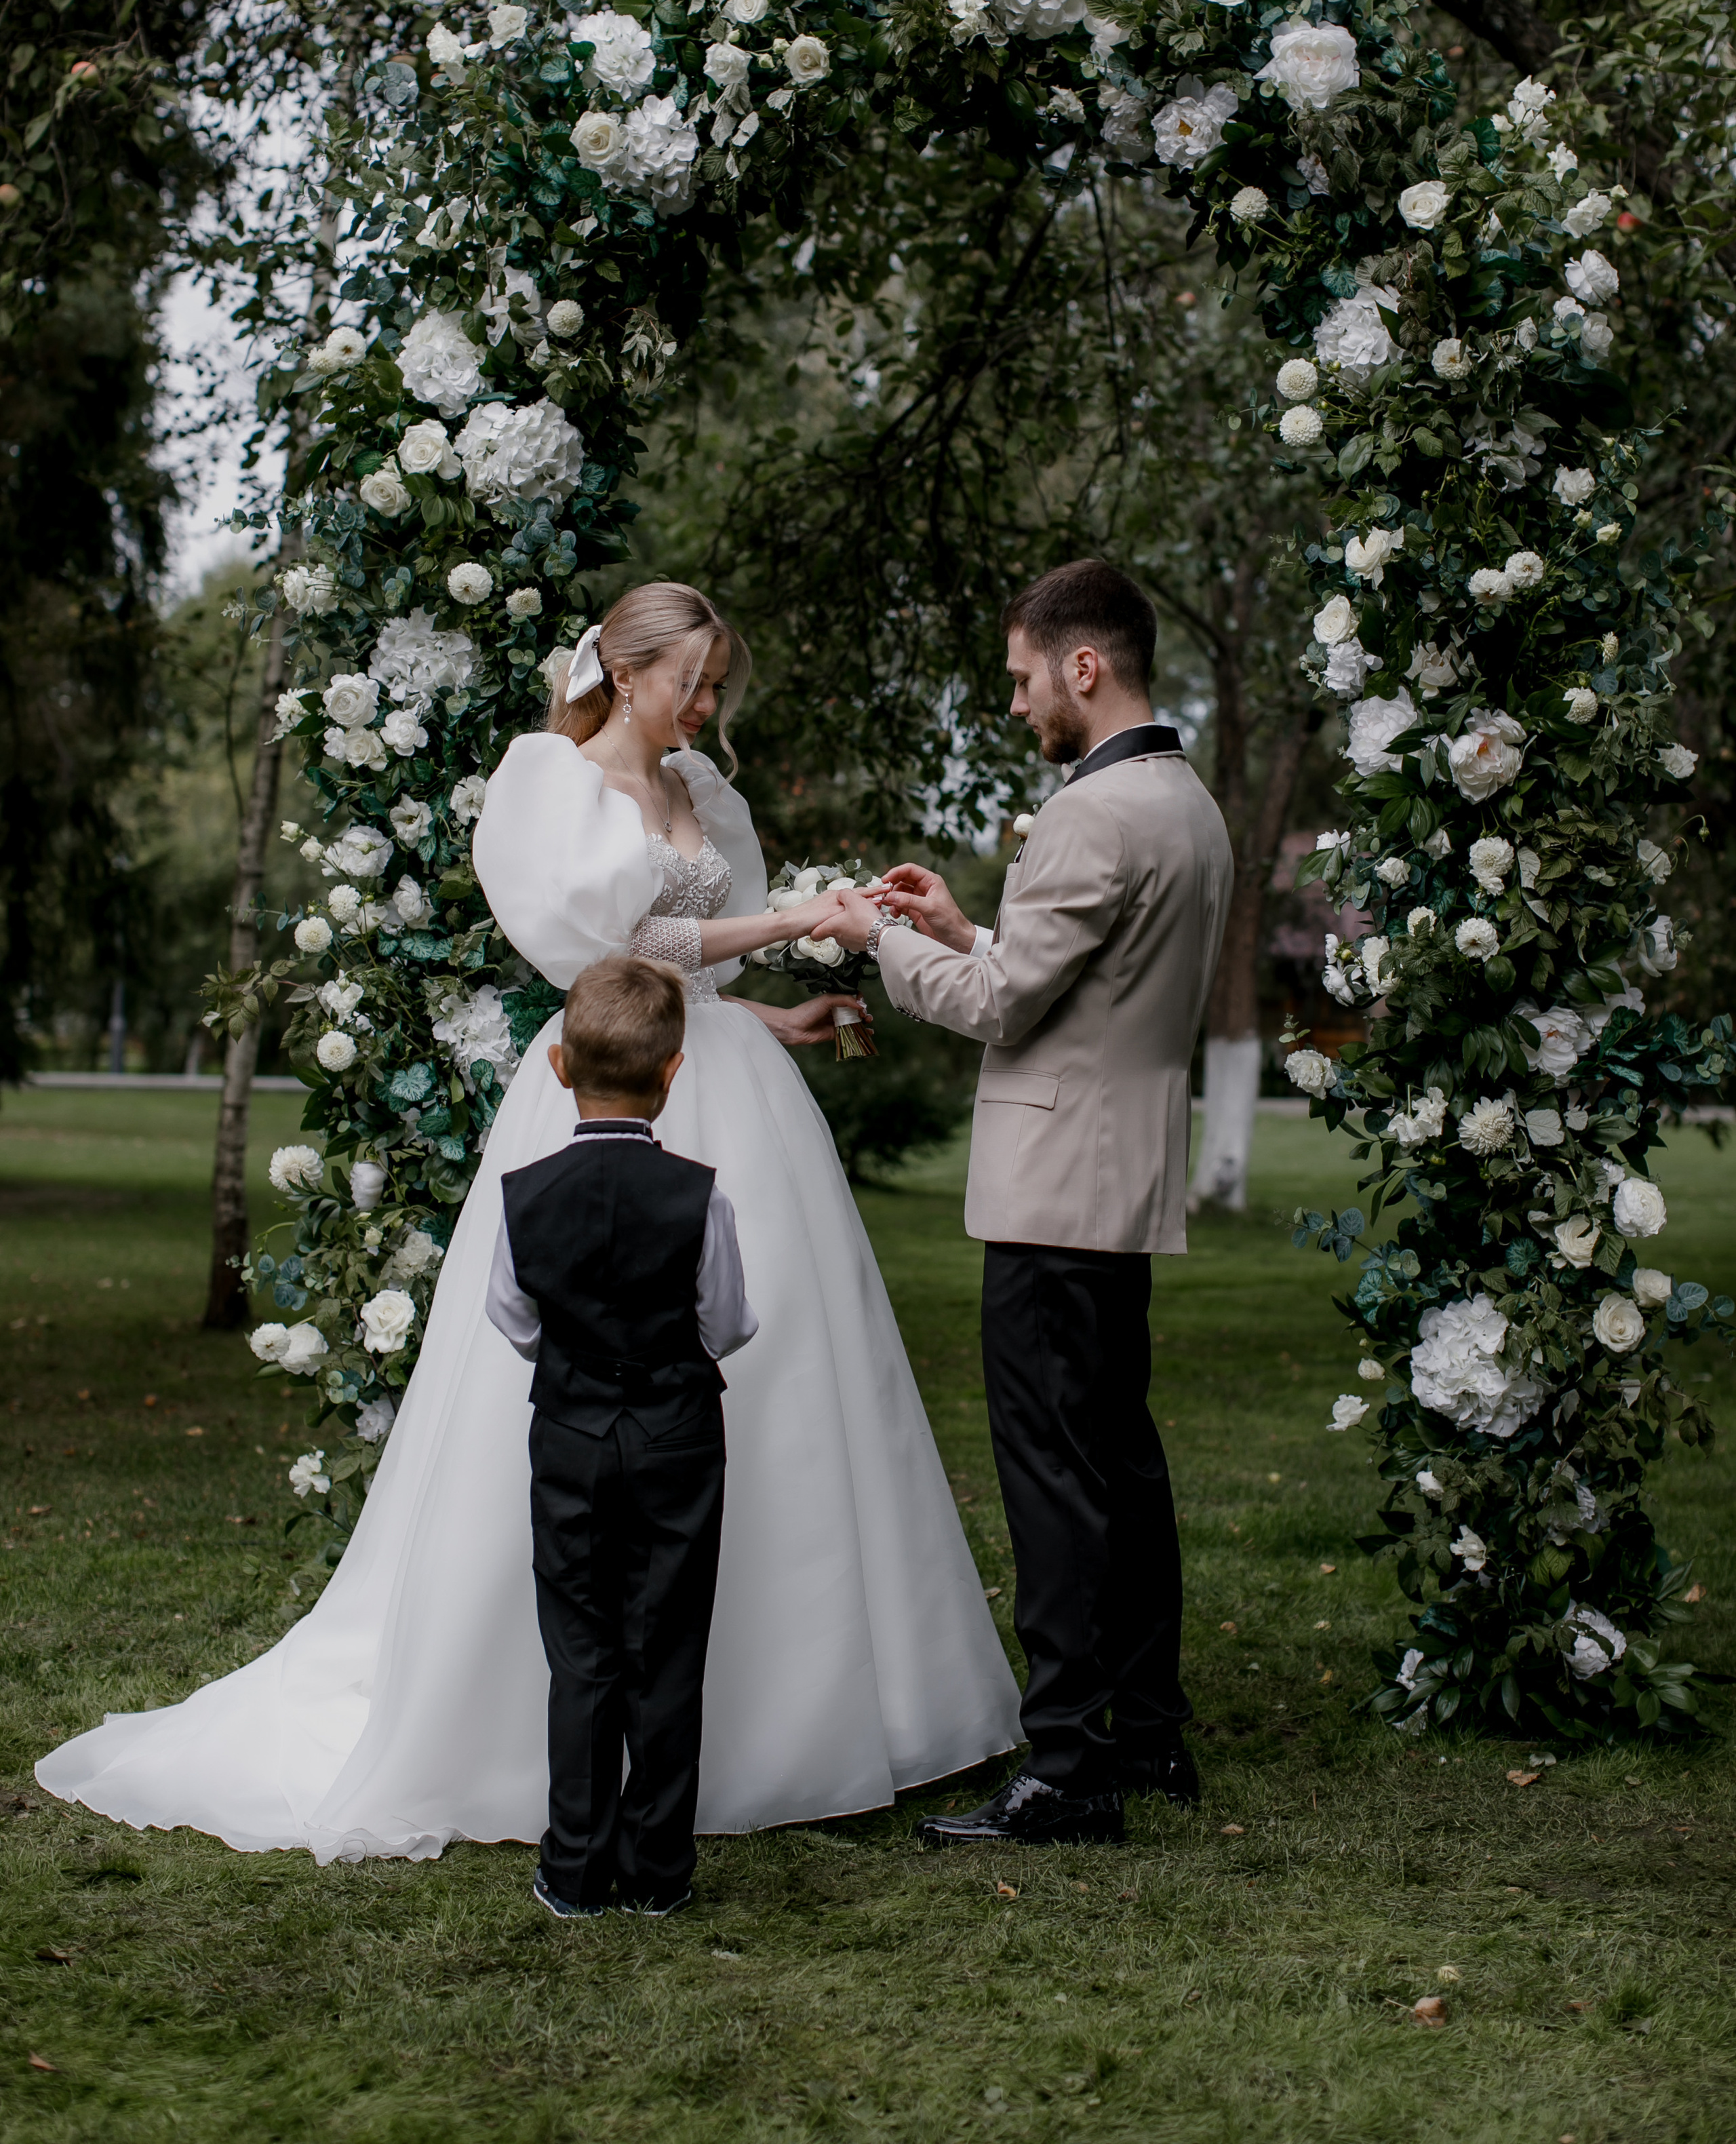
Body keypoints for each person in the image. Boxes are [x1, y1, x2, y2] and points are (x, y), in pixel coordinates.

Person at [37, 583, 1020, 1860]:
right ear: (627, 671)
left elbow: (690, 973)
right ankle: (551, 1720)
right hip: (613, 1094)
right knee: (605, 1375)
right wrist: (802, 925)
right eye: (695, 683)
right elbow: (616, 944)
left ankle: (811, 1699)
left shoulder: (699, 794)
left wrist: (770, 1010)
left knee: (782, 1373)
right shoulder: (554, 781)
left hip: (722, 1076)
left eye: (719, 686)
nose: (708, 707)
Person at [813, 560, 1233, 1848]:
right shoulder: (1187, 804)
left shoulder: (1090, 814)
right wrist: (956, 920)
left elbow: (1001, 1013)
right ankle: (1146, 1731)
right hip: (1118, 1177)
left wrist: (876, 937)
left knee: (1055, 1476)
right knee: (1118, 1461)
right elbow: (1068, 985)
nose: (1016, 704)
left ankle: (1065, 1768)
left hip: (1054, 1192)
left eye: (1020, 678)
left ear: (1082, 666)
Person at [488, 956, 757, 1919]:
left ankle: (573, 1870)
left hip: (567, 1433)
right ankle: (657, 1875)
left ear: (558, 1066)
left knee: (582, 1651)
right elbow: (727, 1322)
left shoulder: (524, 1194)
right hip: (679, 1433)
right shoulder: (701, 1195)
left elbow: (513, 1317)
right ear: (674, 1072)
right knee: (667, 1648)